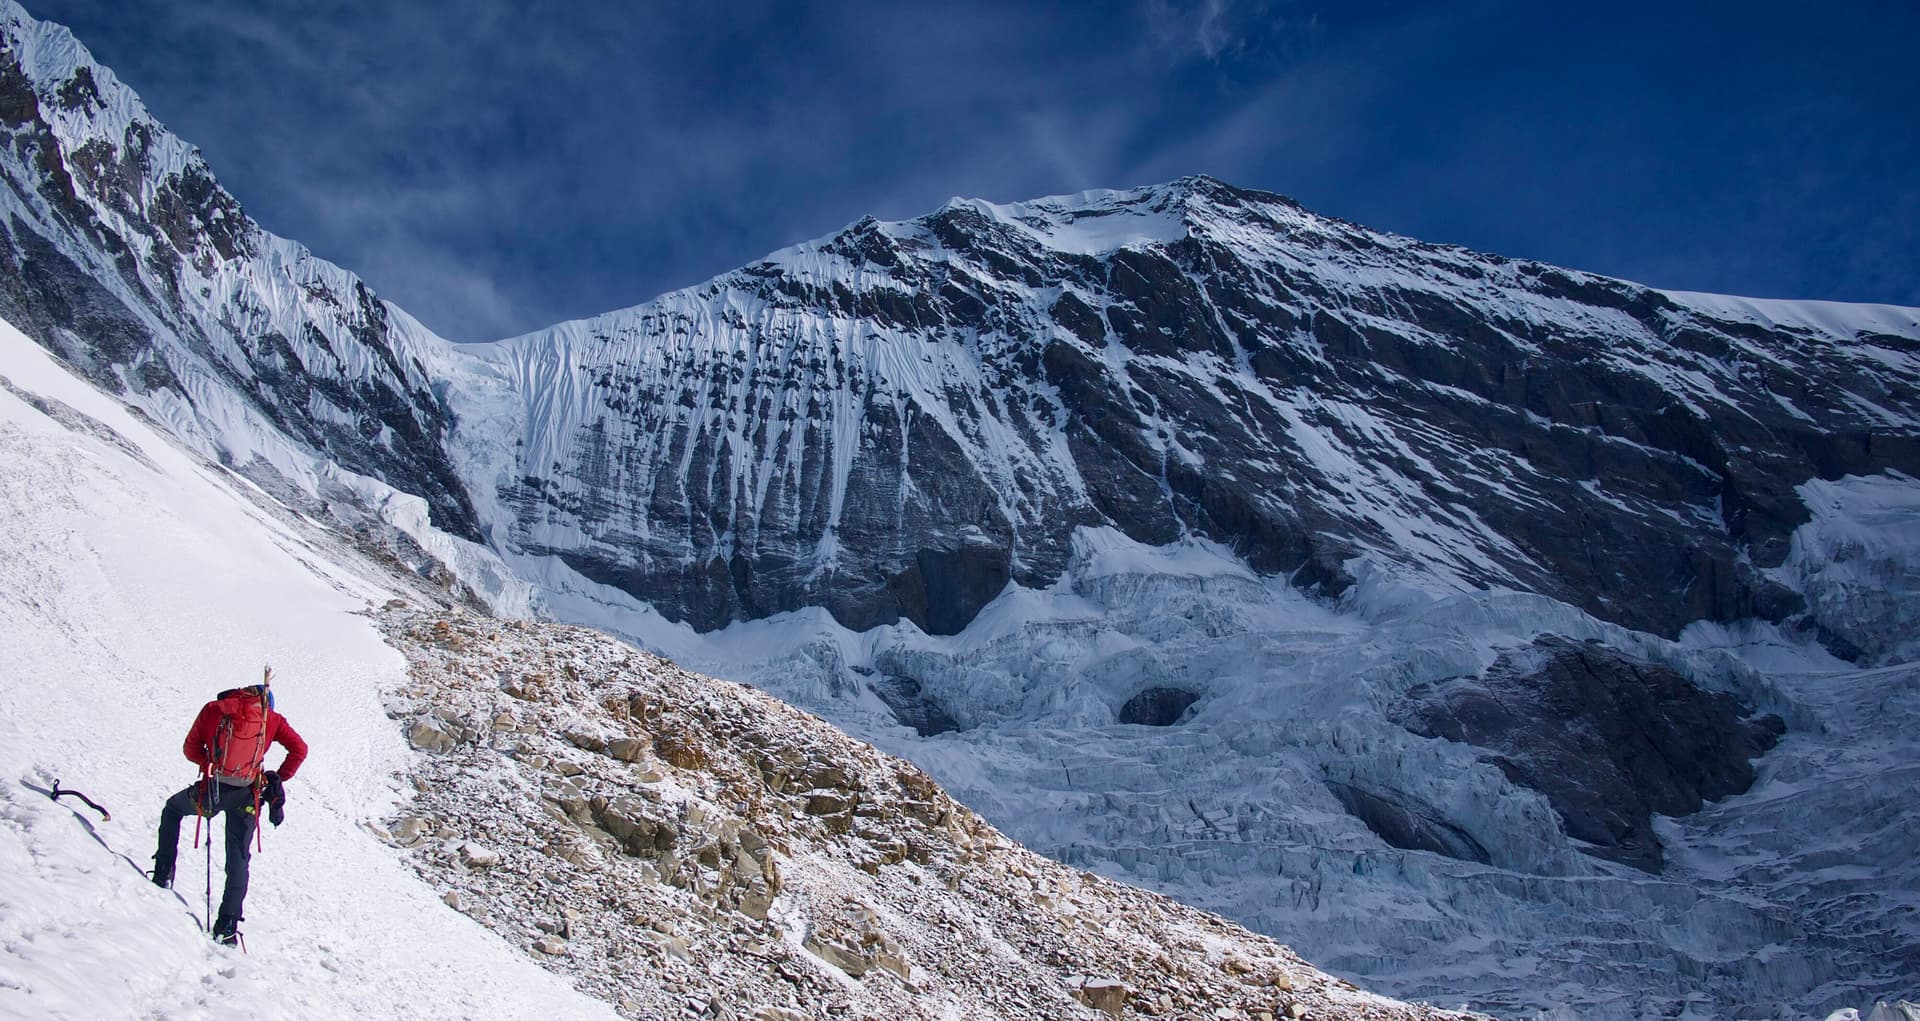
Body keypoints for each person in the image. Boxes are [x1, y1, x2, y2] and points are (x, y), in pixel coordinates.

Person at [152, 666, 307, 946]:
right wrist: (277, 778)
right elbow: (300, 749)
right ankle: (228, 927)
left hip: (212, 790)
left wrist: (208, 764)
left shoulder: (215, 709)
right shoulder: (272, 719)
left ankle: (163, 875)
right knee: (238, 859)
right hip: (249, 795)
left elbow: (190, 749)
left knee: (173, 810)